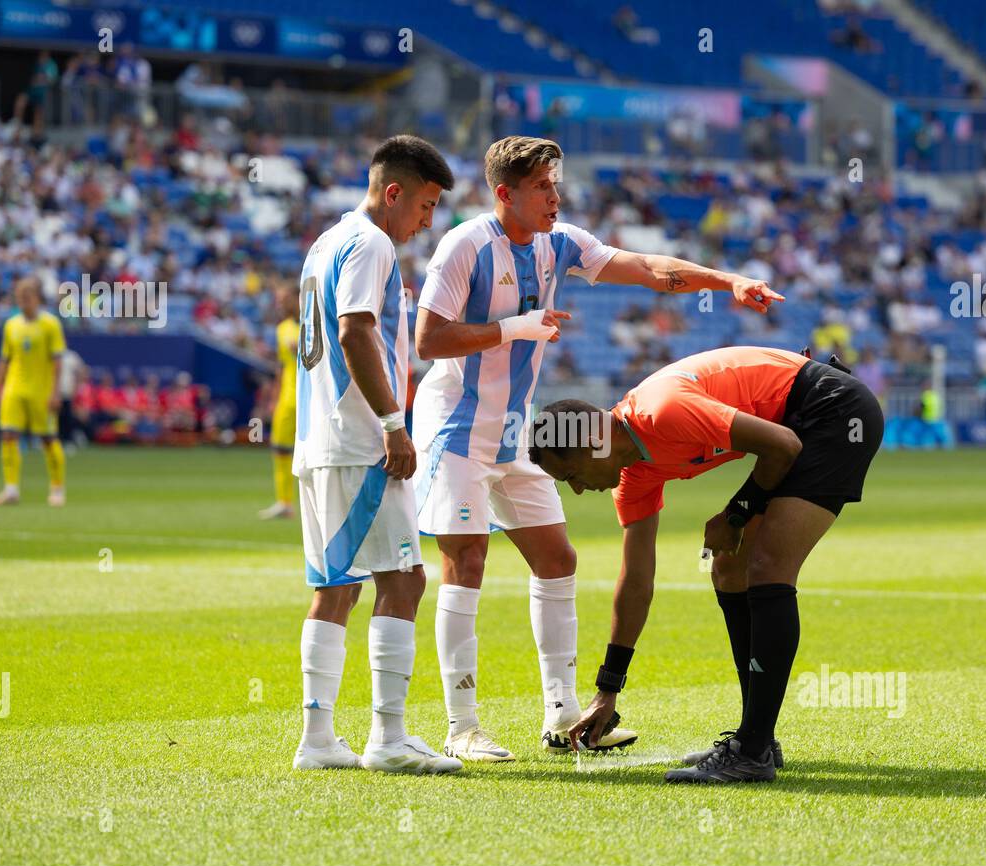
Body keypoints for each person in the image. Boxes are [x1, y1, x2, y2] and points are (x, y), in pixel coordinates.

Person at [412, 135, 783, 762]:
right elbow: (427, 339)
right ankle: (462, 725)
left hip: (516, 430)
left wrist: (727, 280)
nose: (555, 197)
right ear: (504, 194)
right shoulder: (465, 246)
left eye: (556, 185)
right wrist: (510, 329)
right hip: (456, 426)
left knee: (557, 559)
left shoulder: (561, 244)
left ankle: (562, 715)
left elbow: (646, 269)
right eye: (541, 188)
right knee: (467, 562)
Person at [530, 346, 884, 784]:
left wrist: (735, 514)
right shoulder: (633, 477)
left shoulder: (662, 410)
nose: (578, 491)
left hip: (833, 410)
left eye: (570, 476)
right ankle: (757, 739)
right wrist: (608, 690)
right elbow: (637, 580)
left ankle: (751, 751)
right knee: (729, 569)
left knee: (768, 565)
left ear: (593, 440)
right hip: (797, 425)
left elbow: (783, 446)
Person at [292, 135, 461, 775]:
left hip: (318, 439)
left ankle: (317, 740)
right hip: (361, 440)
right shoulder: (372, 243)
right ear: (393, 193)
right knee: (405, 578)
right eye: (424, 205)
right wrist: (394, 424)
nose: (426, 221)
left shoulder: (324, 243)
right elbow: (354, 329)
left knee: (336, 588)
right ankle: (389, 739)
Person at [0, 279, 68, 506]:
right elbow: (4, 360)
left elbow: (58, 361)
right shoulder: (11, 325)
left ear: (37, 298)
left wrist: (55, 392)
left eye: (27, 297)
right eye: (20, 297)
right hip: (14, 389)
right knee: (8, 435)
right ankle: (11, 489)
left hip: (41, 391)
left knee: (48, 439)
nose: (23, 302)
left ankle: (57, 488)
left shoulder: (50, 324)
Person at [259, 282, 300, 520]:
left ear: (297, 298)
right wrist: (273, 398)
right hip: (287, 395)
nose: (280, 304)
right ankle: (284, 502)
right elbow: (282, 366)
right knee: (280, 448)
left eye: (285, 299)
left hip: (310, 397)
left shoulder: (313, 323)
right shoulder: (282, 328)